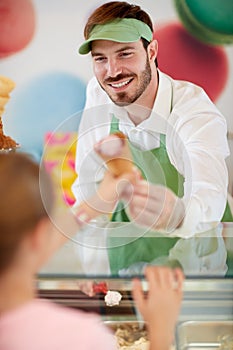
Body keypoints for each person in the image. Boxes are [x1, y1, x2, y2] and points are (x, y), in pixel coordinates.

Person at [71, 1, 232, 275]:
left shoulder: (193, 111)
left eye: (125, 54)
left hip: (197, 264)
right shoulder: (98, 93)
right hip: (126, 256)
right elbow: (87, 183)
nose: (112, 71)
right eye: (100, 58)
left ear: (152, 51)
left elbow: (208, 199)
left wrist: (178, 214)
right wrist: (90, 271)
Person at [0, 152, 184, 350]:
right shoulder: (80, 338)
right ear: (39, 234)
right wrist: (160, 333)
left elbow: (34, 239)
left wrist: (96, 203)